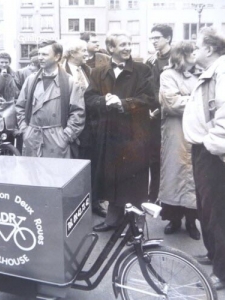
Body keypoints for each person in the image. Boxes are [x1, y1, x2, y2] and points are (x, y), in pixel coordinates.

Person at [183, 26, 225, 290]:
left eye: (197, 45)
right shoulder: (218, 70)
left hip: (217, 154)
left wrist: (210, 145)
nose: (194, 49)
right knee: (208, 210)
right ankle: (214, 256)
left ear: (209, 49)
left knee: (219, 214)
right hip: (209, 151)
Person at [84, 31, 154, 232]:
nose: (128, 47)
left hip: (134, 134)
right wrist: (103, 101)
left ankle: (137, 224)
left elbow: (149, 98)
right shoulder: (98, 72)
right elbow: (89, 99)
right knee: (112, 178)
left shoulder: (142, 70)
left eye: (129, 43)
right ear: (111, 49)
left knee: (136, 181)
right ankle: (113, 219)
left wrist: (123, 103)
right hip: (109, 134)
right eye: (123, 44)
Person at [157, 42, 200, 240]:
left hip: (196, 132)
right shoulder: (167, 75)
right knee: (175, 173)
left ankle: (191, 221)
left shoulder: (200, 74)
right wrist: (196, 101)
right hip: (175, 131)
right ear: (182, 55)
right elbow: (172, 103)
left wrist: (186, 98)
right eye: (192, 52)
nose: (196, 54)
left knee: (193, 176)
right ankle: (174, 219)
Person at [15, 39, 85, 158]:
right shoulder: (30, 80)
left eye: (45, 54)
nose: (40, 58)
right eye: (39, 54)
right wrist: (25, 130)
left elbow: (78, 113)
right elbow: (20, 107)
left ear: (57, 56)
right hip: (32, 138)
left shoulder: (70, 82)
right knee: (32, 174)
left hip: (57, 141)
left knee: (56, 175)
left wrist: (66, 136)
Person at [62, 39, 106, 217]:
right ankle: (74, 204)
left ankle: (94, 201)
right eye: (82, 52)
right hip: (69, 125)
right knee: (72, 165)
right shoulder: (61, 71)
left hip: (90, 126)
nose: (87, 55)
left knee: (91, 164)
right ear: (72, 53)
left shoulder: (88, 70)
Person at [145, 24, 172, 212]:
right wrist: (149, 108)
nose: (154, 41)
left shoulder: (177, 60)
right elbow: (148, 88)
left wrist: (161, 109)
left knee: (171, 160)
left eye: (157, 38)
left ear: (168, 38)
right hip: (153, 119)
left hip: (171, 118)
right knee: (154, 159)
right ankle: (153, 196)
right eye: (152, 38)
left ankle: (170, 203)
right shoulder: (151, 61)